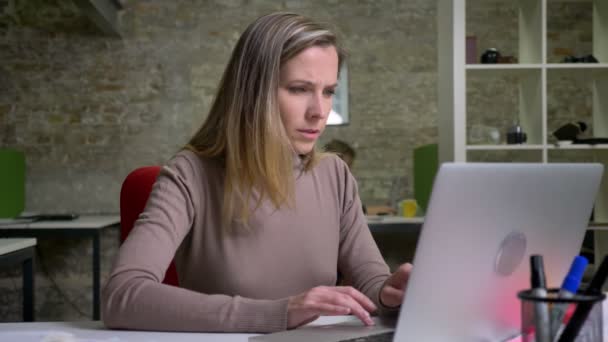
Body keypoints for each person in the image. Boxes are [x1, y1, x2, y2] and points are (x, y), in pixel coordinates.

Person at [102, 12, 412, 333]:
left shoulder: (335, 174)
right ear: (254, 92)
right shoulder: (190, 174)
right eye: (299, 89)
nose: (320, 111)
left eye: (329, 91)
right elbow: (122, 295)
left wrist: (390, 294)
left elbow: (372, 281)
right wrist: (278, 313)